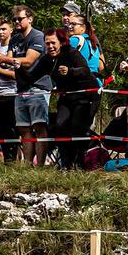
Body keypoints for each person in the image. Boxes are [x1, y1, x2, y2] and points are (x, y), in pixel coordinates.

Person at [20, 29, 101, 170]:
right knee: (60, 127)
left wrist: (70, 71)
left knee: (77, 128)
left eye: (53, 43)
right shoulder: (46, 59)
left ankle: (80, 164)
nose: (50, 47)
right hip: (67, 96)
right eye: (47, 43)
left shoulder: (71, 52)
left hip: (86, 96)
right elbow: (31, 78)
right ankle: (65, 165)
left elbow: (85, 70)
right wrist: (18, 68)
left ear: (61, 42)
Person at [8, 6, 49, 166]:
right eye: (15, 19)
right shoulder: (14, 39)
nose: (17, 22)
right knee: (23, 129)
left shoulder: (38, 36)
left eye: (20, 19)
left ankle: (40, 165)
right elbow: (11, 61)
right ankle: (27, 164)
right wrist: (3, 61)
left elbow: (29, 60)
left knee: (39, 126)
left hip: (37, 86)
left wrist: (3, 61)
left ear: (30, 19)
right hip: (21, 88)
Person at [0, 16, 18, 162]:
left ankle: (13, 160)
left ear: (11, 30)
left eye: (4, 29)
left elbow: (16, 75)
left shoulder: (15, 48)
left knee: (10, 130)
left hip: (11, 93)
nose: (0, 32)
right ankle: (6, 159)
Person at [67, 12, 104, 83]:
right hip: (96, 83)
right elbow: (99, 66)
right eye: (69, 24)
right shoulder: (92, 42)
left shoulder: (74, 40)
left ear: (83, 27)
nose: (70, 26)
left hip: (81, 83)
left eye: (74, 24)